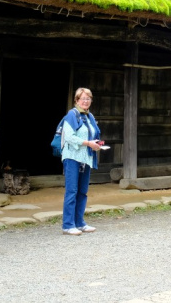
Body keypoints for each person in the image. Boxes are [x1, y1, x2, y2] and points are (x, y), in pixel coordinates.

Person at [61, 87, 102, 236]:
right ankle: (68, 225)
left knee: (82, 191)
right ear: (77, 100)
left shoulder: (90, 116)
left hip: (86, 158)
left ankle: (79, 222)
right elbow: (69, 137)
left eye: (88, 99)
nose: (86, 101)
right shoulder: (72, 115)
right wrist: (88, 143)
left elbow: (93, 134)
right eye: (83, 98)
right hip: (72, 157)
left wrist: (96, 144)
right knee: (72, 190)